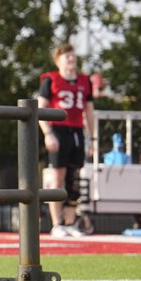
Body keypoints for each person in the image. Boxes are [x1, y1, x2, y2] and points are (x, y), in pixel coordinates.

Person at [37, 42, 95, 237]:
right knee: (57, 178)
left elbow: (89, 111)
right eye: (67, 56)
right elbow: (40, 109)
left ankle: (70, 223)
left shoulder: (84, 81)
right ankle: (56, 224)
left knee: (75, 179)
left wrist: (92, 138)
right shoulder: (50, 80)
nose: (71, 59)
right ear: (58, 61)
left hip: (77, 131)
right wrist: (48, 132)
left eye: (73, 56)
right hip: (58, 130)